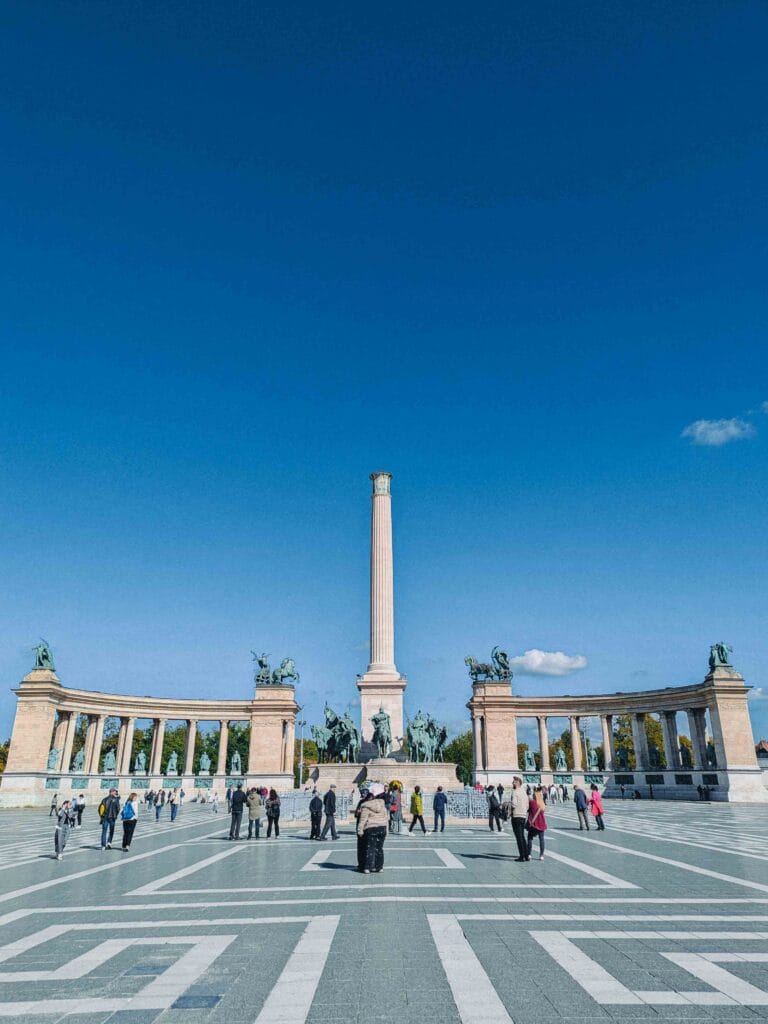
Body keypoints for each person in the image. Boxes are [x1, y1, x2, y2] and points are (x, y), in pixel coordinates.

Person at [357, 782, 388, 873]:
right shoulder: (383, 805)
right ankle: (379, 867)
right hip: (382, 828)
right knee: (379, 848)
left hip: (371, 828)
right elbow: (386, 817)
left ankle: (367, 867)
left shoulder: (366, 806)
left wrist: (360, 830)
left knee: (370, 848)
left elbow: (363, 819)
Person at [526, 786, 548, 861]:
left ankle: (529, 854)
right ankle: (541, 855)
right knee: (541, 839)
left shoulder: (532, 803)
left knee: (529, 838)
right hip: (541, 824)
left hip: (534, 824)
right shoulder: (542, 804)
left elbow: (527, 809)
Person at [510, 776, 528, 862]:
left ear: (517, 783)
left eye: (513, 782)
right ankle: (527, 855)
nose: (512, 783)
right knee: (522, 836)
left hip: (516, 815)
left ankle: (522, 856)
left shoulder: (515, 792)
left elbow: (514, 804)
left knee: (519, 837)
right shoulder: (524, 792)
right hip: (523, 816)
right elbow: (527, 805)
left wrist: (510, 804)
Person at [354, 788, 372, 869]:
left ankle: (365, 864)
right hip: (364, 827)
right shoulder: (362, 802)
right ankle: (363, 864)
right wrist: (358, 813)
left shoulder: (368, 803)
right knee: (363, 846)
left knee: (364, 846)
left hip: (366, 827)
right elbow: (356, 814)